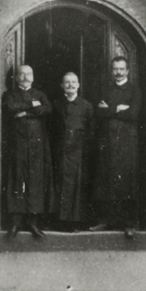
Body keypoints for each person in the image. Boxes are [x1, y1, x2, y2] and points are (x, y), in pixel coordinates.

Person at [92, 56, 142, 238]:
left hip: (127, 142)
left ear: (127, 71)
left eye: (122, 69)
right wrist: (119, 108)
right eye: (115, 69)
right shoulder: (105, 89)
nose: (118, 72)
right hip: (107, 142)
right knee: (105, 181)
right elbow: (98, 112)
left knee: (127, 182)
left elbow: (133, 113)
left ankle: (129, 224)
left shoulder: (134, 90)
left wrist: (110, 109)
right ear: (111, 71)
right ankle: (106, 221)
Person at [3, 65, 53, 238]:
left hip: (37, 147)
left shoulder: (40, 94)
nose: (25, 77)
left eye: (28, 74)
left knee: (35, 182)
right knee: (17, 180)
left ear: (33, 77)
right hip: (17, 145)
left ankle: (33, 224)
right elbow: (10, 107)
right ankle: (15, 224)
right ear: (16, 78)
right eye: (21, 74)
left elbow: (47, 109)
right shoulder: (10, 94)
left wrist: (24, 111)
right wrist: (32, 106)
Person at [54, 72, 94, 230]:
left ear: (78, 85)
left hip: (79, 153)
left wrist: (85, 151)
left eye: (73, 82)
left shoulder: (86, 105)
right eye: (67, 82)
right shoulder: (56, 104)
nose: (70, 85)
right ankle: (61, 221)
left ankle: (76, 221)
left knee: (78, 187)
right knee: (61, 186)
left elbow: (91, 131)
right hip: (61, 152)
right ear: (62, 85)